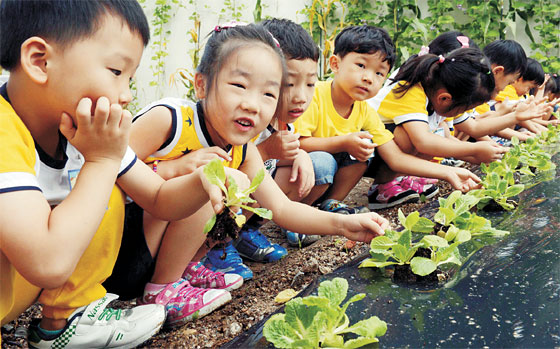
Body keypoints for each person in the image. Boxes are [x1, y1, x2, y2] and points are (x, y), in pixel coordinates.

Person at [111, 22, 390, 325]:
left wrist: (345, 225)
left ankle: (183, 268)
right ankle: (163, 290)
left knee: (226, 182)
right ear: (201, 84)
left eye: (269, 94)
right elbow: (102, 164)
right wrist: (168, 170)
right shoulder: (170, 120)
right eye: (239, 86)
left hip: (147, 259)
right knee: (212, 178)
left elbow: (281, 208)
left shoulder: (243, 148)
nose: (252, 104)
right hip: (116, 256)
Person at [0, 1, 240, 346]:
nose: (126, 95)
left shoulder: (86, 128)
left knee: (108, 187)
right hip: (31, 270)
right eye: (116, 72)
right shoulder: (5, 130)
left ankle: (68, 322)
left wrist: (205, 180)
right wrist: (100, 162)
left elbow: (159, 199)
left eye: (131, 78)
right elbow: (47, 264)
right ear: (40, 61)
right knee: (102, 177)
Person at [293, 25, 482, 211]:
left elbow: (395, 158)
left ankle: (330, 204)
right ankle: (298, 212)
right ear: (335, 64)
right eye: (361, 65)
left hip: (332, 169)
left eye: (379, 73)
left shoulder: (364, 110)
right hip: (300, 168)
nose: (369, 78)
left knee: (362, 155)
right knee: (322, 161)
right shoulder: (314, 94)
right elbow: (299, 144)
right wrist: (344, 142)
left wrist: (450, 173)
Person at [203, 18, 323, 277]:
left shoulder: (276, 125)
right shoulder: (232, 124)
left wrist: (299, 153)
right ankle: (213, 249)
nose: (300, 96)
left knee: (301, 167)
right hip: (199, 211)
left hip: (242, 205)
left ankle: (243, 234)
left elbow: (279, 202)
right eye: (289, 84)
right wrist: (268, 151)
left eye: (310, 84)